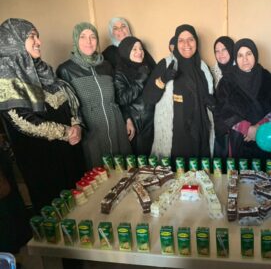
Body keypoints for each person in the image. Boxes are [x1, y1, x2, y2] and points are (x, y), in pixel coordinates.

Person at [0, 18, 85, 212]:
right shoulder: (6, 78)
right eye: (32, 37)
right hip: (43, 160)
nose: (39, 42)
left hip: (70, 151)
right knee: (58, 211)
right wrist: (66, 132)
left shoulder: (43, 70)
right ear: (14, 41)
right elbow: (21, 121)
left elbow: (69, 100)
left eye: (38, 36)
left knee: (81, 203)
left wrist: (77, 124)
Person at [57, 22, 131, 169]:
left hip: (116, 124)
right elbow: (67, 109)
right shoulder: (66, 70)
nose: (88, 42)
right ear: (76, 40)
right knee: (99, 176)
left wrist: (127, 119)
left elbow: (118, 96)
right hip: (91, 131)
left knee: (124, 171)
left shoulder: (106, 65)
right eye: (83, 37)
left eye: (92, 37)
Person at [143, 24, 214, 160]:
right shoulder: (166, 64)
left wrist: (213, 104)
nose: (186, 44)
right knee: (176, 177)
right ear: (175, 43)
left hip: (201, 135)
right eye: (181, 40)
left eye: (190, 39)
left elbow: (209, 101)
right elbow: (148, 98)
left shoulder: (203, 67)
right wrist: (163, 80)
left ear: (196, 42)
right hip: (176, 138)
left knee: (201, 177)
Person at [213, 38, 271, 160]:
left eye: (248, 54)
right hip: (238, 140)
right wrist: (247, 129)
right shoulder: (227, 80)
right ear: (235, 58)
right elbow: (221, 110)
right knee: (240, 175)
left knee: (264, 175)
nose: (244, 59)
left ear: (255, 54)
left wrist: (258, 128)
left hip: (266, 137)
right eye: (240, 55)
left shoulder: (267, 77)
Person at [114, 36, 155, 155]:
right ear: (126, 52)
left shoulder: (148, 67)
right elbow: (121, 98)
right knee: (143, 163)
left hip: (153, 121)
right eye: (134, 49)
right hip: (138, 124)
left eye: (141, 48)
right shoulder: (120, 72)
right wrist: (140, 78)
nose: (139, 52)